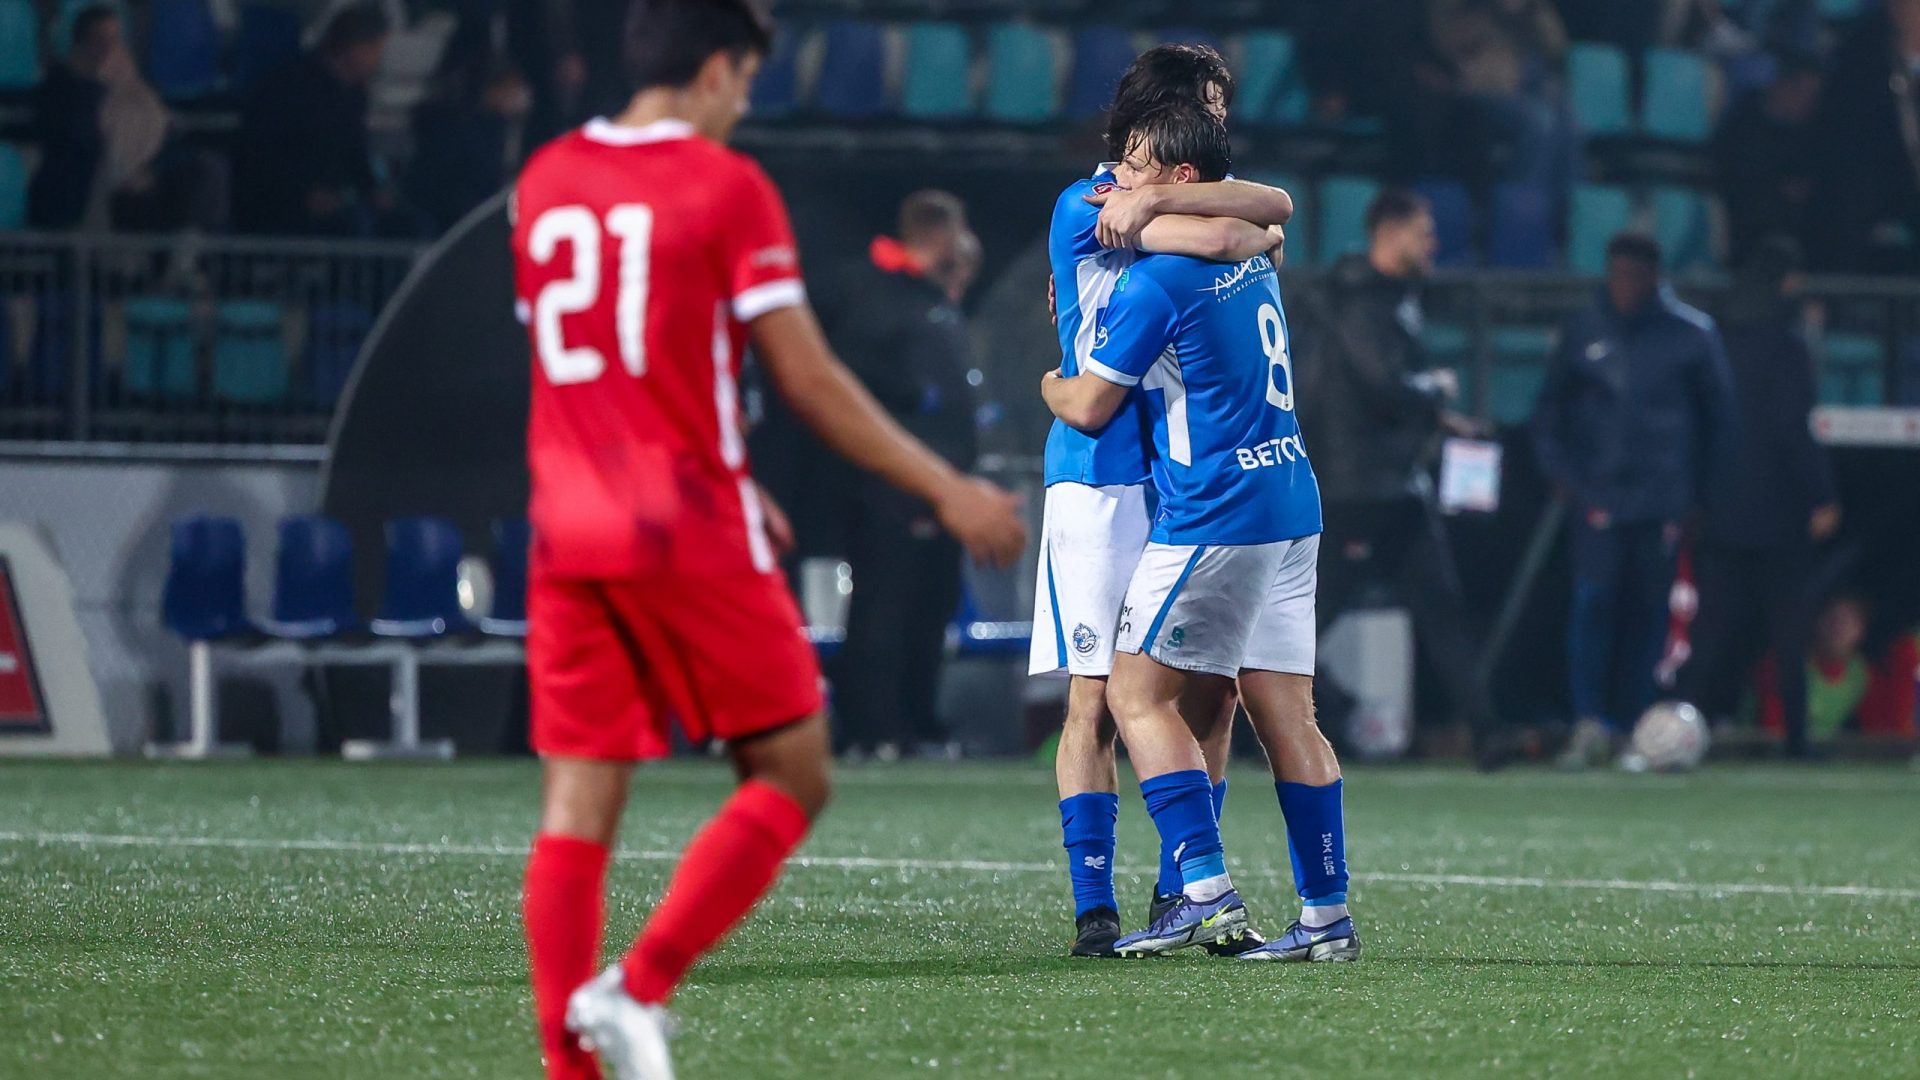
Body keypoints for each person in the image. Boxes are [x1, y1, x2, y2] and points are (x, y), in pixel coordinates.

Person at [509, 2, 1027, 1077]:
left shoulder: (547, 176)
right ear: (713, 70)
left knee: (579, 798)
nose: (743, 105)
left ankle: (572, 1065)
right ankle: (637, 986)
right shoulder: (724, 186)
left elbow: (621, 368)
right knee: (792, 770)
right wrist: (949, 489)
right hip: (683, 523)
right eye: (744, 81)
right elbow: (807, 376)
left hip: (566, 523)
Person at [1042, 105, 1359, 964]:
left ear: (1182, 181)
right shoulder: (1255, 258)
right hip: (1294, 498)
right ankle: (1326, 917)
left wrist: (1049, 377)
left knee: (1132, 696)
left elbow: (1090, 401)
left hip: (1215, 511)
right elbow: (1256, 229)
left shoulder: (1155, 283)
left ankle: (1202, 891)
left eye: (1137, 168)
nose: (1119, 180)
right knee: (1286, 712)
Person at [1295, 187, 1502, 760]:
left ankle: (1485, 731)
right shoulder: (1361, 300)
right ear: (1391, 232)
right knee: (1310, 618)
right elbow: (1380, 382)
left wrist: (1440, 418)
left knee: (1437, 606)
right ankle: (1270, 717)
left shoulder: (1385, 298)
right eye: (1423, 230)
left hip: (1390, 485)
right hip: (1356, 487)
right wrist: (1435, 387)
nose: (1432, 242)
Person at [1532, 233, 1732, 769]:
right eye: (1617, 273)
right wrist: (1566, 478)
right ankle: (1590, 722)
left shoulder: (1691, 334)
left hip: (1662, 501)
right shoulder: (1583, 329)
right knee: (1592, 605)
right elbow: (1549, 412)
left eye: (1634, 275)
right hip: (1598, 498)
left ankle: (1637, 726)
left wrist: (1699, 496)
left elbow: (1720, 424)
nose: (1624, 285)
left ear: (1652, 276)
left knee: (1649, 615)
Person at [821, 191, 983, 760]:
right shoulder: (874, 293)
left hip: (942, 487)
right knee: (884, 605)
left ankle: (917, 721)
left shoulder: (934, 298)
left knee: (931, 603)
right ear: (941, 233)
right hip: (890, 485)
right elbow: (857, 386)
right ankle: (871, 726)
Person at [1679, 238, 1838, 758]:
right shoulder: (1787, 349)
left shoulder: (1716, 342)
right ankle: (1796, 737)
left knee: (1710, 631)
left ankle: (1681, 724)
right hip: (1779, 513)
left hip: (1724, 508)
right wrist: (1821, 496)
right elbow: (1792, 429)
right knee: (1789, 630)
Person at [26, 5, 223, 232]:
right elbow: (78, 136)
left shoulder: (130, 88)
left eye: (115, 39)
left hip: (143, 178)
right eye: (101, 39)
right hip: (80, 189)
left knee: (203, 173)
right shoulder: (61, 87)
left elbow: (158, 126)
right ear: (81, 45)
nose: (110, 49)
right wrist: (95, 87)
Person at [233, 3, 397, 236]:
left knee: (402, 224)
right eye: (375, 49)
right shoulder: (288, 88)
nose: (379, 59)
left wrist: (373, 191)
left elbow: (354, 151)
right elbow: (263, 152)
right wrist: (302, 195)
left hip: (335, 199)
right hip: (279, 202)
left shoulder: (355, 95)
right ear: (355, 48)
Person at [1712, 55, 1820, 267]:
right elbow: (1736, 179)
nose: (1811, 104)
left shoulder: (1813, 135)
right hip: (1748, 235)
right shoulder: (1742, 127)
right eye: (1807, 94)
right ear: (1783, 86)